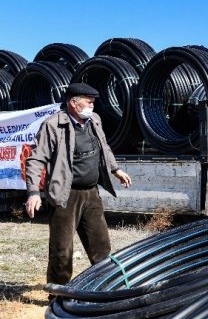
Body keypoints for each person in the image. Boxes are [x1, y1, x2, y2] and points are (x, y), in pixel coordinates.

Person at [25, 82, 132, 286]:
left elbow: (104, 148)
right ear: (73, 103)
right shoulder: (53, 125)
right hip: (65, 196)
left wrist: (115, 169)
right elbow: (36, 159)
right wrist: (33, 192)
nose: (92, 105)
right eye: (88, 101)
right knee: (62, 250)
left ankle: (104, 287)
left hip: (91, 194)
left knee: (101, 246)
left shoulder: (94, 120)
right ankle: (58, 293)